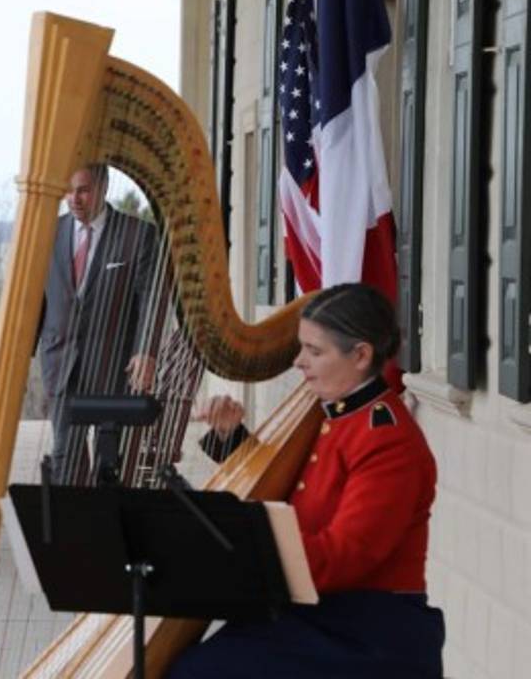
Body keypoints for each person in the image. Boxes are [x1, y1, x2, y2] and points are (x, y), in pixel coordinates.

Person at [169, 283, 444, 678]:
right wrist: (231, 438)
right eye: (301, 348)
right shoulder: (334, 412)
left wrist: (240, 555)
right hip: (319, 608)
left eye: (314, 351)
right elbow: (294, 489)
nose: (298, 362)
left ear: (361, 355)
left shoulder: (387, 440)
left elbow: (347, 555)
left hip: (369, 628)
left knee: (197, 671)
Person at [36, 164, 158, 485]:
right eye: (68, 190)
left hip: (114, 363)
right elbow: (33, 298)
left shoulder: (138, 234)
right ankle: (70, 514)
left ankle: (103, 513)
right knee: (65, 456)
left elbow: (151, 298)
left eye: (83, 190)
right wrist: (22, 351)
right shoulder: (46, 232)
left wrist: (146, 350)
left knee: (110, 460)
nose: (73, 199)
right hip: (60, 360)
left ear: (104, 187)